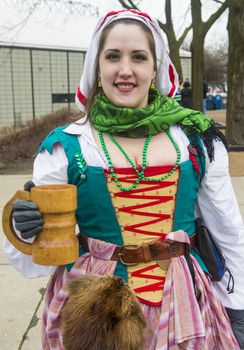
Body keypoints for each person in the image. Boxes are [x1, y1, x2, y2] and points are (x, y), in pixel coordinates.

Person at [3, 9, 244, 349]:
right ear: (97, 66)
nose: (125, 69)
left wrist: (238, 307)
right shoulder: (66, 147)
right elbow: (35, 261)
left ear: (155, 67)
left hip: (185, 307)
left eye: (139, 57)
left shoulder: (195, 139)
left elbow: (228, 230)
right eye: (113, 56)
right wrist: (26, 230)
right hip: (93, 315)